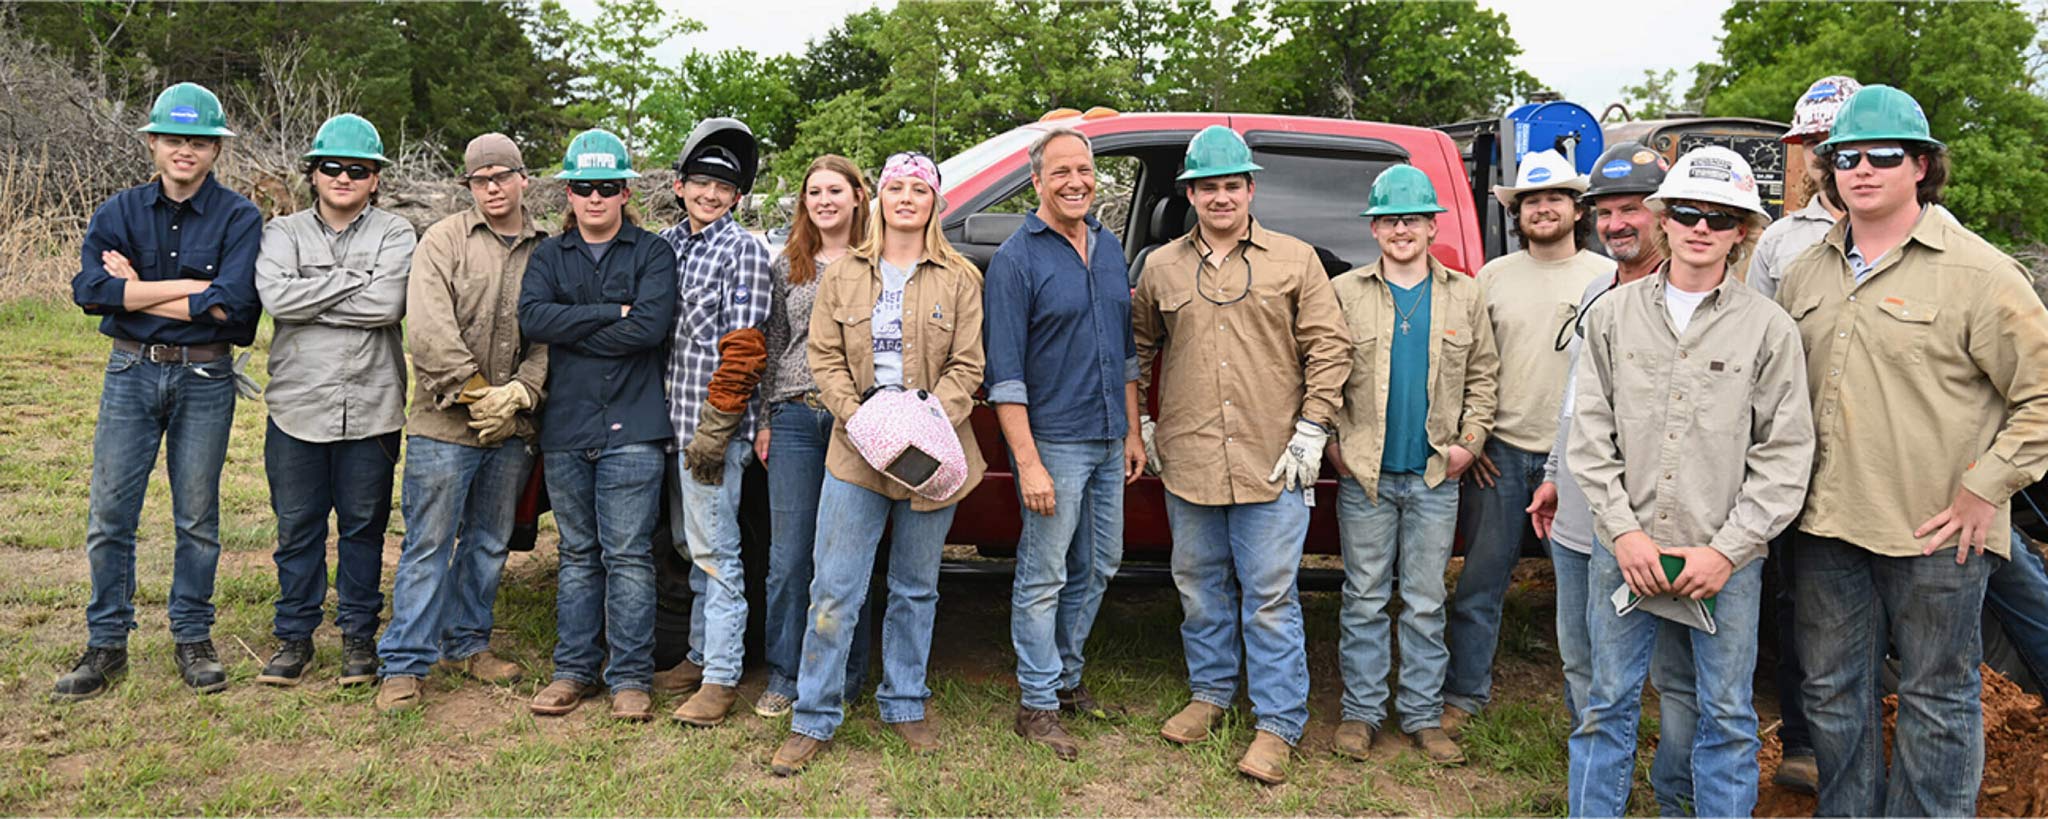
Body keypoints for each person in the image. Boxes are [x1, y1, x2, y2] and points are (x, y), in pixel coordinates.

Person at [1777, 85, 2048, 817]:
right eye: (1846, 157)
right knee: (1833, 693)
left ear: (1922, 165)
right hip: (1827, 525)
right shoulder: (1806, 273)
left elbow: (2042, 397)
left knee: (1936, 695)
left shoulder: (1981, 275)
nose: (1862, 170)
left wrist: (1986, 487)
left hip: (1938, 532)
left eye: (1884, 156)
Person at [1566, 146, 1813, 818]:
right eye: (1688, 212)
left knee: (1727, 715)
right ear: (1663, 220)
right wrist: (1623, 533)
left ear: (1742, 233)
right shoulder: (1613, 318)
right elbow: (1589, 436)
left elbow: (1785, 454)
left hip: (1723, 561)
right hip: (1625, 552)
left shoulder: (1769, 329)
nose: (1702, 227)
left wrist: (1727, 551)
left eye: (1720, 216)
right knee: (1606, 704)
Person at [1133, 125, 1351, 785]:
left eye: (1233, 185)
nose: (1221, 197)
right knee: (1199, 589)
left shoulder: (1295, 259)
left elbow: (1330, 346)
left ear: (1251, 188)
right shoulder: (1160, 266)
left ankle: (1279, 722)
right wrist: (1140, 418)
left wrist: (1314, 426)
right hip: (1191, 459)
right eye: (1208, 187)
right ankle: (1210, 693)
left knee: (1270, 598)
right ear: (1191, 193)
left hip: (1273, 459)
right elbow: (1138, 347)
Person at [769, 151, 985, 776]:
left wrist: (922, 418)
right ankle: (813, 714)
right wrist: (859, 417)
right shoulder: (843, 275)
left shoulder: (960, 277)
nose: (907, 198)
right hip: (857, 450)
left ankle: (905, 701)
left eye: (921, 189)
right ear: (881, 198)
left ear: (935, 202)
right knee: (834, 587)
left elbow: (969, 365)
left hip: (932, 452)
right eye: (897, 187)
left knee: (916, 587)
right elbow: (823, 358)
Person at [58, 82, 263, 701]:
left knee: (197, 517)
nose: (185, 151)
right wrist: (187, 296)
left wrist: (139, 288)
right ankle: (106, 643)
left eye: (198, 141)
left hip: (206, 376)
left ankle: (193, 637)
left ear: (215, 150)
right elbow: (90, 291)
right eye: (173, 139)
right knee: (110, 515)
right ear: (152, 143)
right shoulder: (118, 211)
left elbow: (233, 309)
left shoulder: (240, 216)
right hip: (130, 373)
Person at [1325, 164, 1498, 765]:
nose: (1402, 229)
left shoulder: (1464, 294)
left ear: (1431, 226)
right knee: (1364, 597)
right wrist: (1331, 447)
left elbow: (1483, 378)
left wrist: (1467, 446)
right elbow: (1322, 374)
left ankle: (1423, 715)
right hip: (1366, 478)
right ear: (1374, 229)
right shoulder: (1346, 293)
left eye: (1413, 219)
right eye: (1390, 219)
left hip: (1432, 477)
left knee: (1425, 600)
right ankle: (1362, 712)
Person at [983, 127, 1146, 760]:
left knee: (1102, 563)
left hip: (1109, 438)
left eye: (1084, 169)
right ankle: (1037, 701)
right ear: (1037, 182)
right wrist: (1028, 464)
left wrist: (1132, 431)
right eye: (1061, 172)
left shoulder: (1108, 248)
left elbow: (1127, 352)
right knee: (1044, 574)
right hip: (1054, 442)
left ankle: (1067, 678)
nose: (1076, 181)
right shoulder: (1017, 259)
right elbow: (1005, 375)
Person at [374, 133, 548, 712]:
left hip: (513, 429)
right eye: (480, 180)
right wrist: (480, 399)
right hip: (444, 425)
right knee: (428, 543)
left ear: (524, 178)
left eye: (502, 176)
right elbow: (428, 331)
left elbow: (553, 335)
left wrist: (521, 394)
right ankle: (404, 661)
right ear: (468, 187)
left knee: (490, 541)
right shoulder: (443, 240)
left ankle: (468, 642)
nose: (493, 188)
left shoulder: (548, 248)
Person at [1442, 149, 1614, 735]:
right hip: (1503, 454)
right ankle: (1463, 697)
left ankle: (1590, 712)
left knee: (1585, 592)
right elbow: (1468, 365)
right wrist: (1475, 438)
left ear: (1576, 209)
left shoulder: (1606, 278)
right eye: (1531, 201)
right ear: (1517, 213)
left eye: (1554, 199)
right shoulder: (1491, 278)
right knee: (1481, 582)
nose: (1543, 209)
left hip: (1581, 459)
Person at [517, 129, 677, 722]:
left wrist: (575, 328)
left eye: (607, 187)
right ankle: (572, 672)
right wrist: (612, 313)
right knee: (579, 554)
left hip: (634, 429)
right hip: (567, 427)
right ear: (568, 192)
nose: (594, 198)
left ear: (626, 190)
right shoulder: (547, 256)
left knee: (629, 556)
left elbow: (651, 330)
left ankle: (631, 678)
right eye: (583, 187)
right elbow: (534, 319)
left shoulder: (654, 253)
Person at [251, 113, 414, 688]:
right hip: (297, 406)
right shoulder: (282, 233)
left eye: (357, 169)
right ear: (313, 173)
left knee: (364, 526)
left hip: (372, 405)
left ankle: (357, 639)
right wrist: (354, 279)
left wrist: (310, 292)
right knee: (297, 526)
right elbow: (275, 297)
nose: (343, 177)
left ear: (375, 179)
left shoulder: (396, 234)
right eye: (331, 167)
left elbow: (387, 306)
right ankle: (294, 638)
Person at [1742, 73, 1863, 794]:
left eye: (1843, 142)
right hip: (1800, 453)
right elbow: (1753, 344)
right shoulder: (1782, 243)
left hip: (1887, 456)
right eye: (1819, 144)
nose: (1831, 155)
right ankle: (1805, 739)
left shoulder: (1928, 231)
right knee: (1799, 603)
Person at [653, 118, 775, 728]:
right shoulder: (668, 246)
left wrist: (718, 427)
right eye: (700, 181)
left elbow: (747, 346)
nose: (709, 193)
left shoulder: (742, 250)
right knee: (689, 546)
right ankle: (698, 656)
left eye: (722, 186)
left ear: (736, 196)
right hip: (670, 426)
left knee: (718, 554)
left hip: (710, 433)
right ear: (679, 185)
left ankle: (722, 677)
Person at [753, 154, 876, 719]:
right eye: (813, 193)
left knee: (848, 556)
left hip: (859, 420)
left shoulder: (879, 263)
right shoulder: (788, 266)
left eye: (835, 190)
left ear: (857, 196)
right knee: (788, 555)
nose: (824, 201)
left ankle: (847, 673)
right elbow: (774, 343)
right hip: (797, 416)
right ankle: (784, 672)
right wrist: (763, 419)